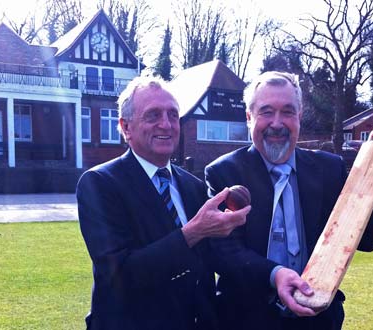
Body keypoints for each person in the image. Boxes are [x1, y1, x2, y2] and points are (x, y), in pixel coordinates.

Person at [204, 71, 373, 330]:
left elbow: (368, 241)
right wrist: (275, 275)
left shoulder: (329, 168)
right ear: (249, 117)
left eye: (288, 112)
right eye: (266, 112)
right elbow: (224, 253)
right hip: (246, 319)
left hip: (318, 320)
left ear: (299, 117)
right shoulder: (223, 172)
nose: (277, 123)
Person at [76, 76, 250, 330]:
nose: (166, 124)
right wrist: (194, 232)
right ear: (126, 127)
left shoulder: (193, 185)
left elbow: (208, 263)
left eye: (173, 115)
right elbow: (120, 274)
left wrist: (272, 275)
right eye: (153, 115)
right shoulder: (99, 183)